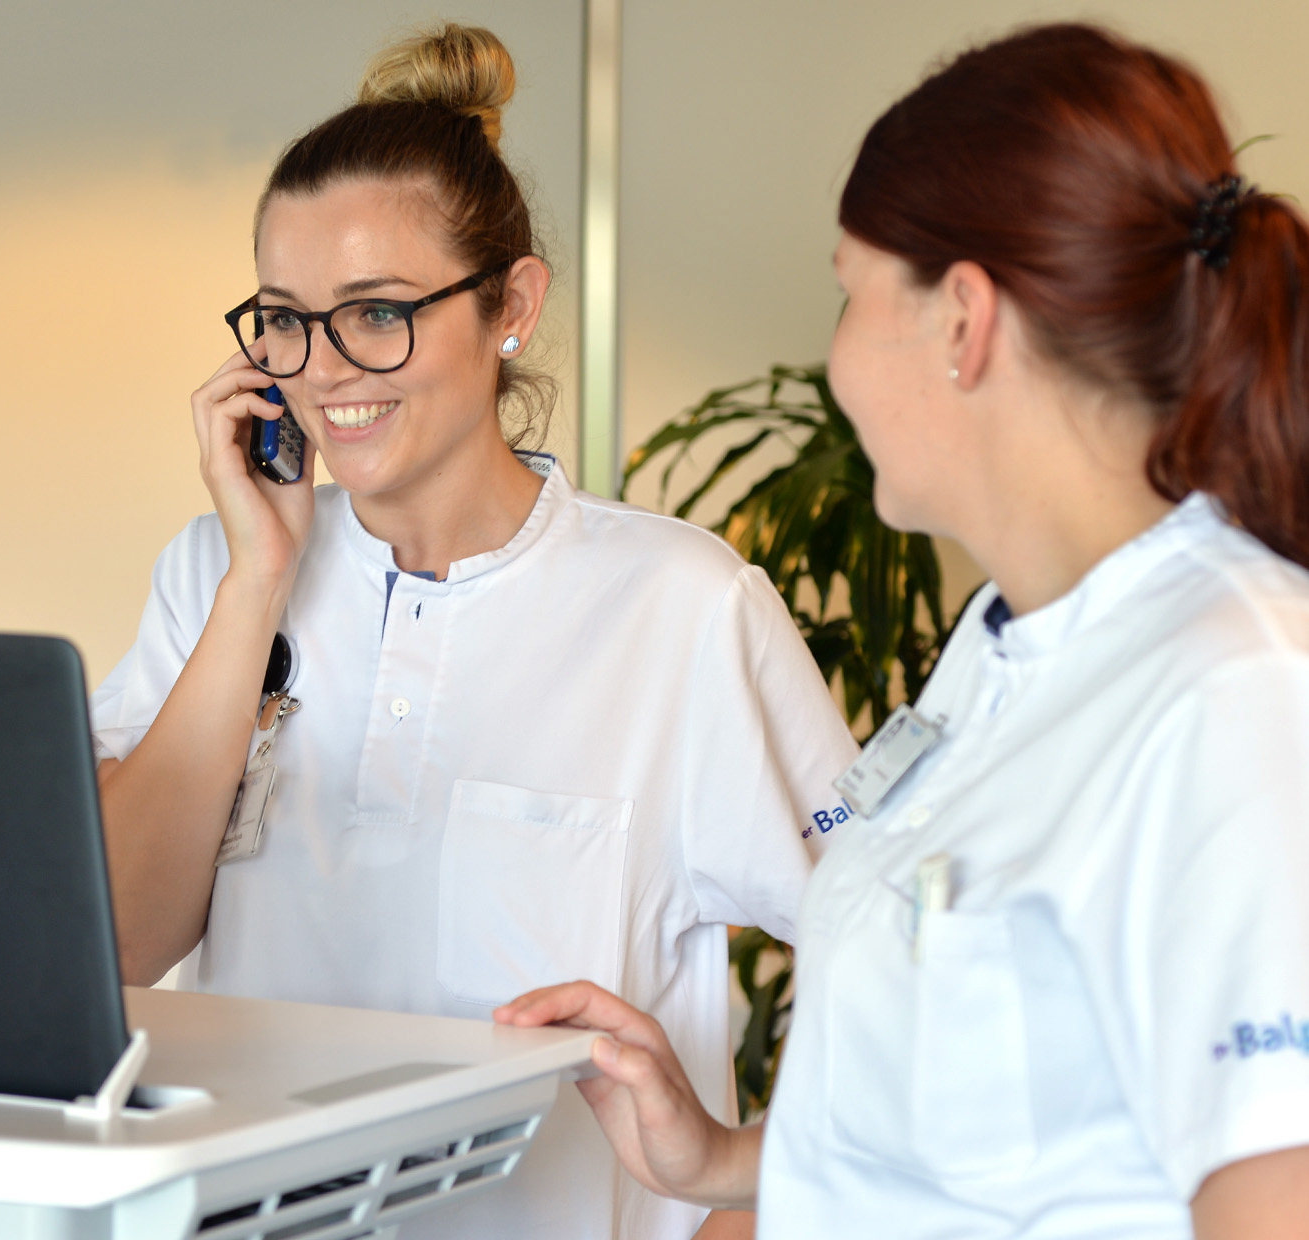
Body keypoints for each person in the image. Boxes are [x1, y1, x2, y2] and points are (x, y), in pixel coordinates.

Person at [496, 22, 1309, 1239]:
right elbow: (989, 1127)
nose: (834, 361)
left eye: (848, 292)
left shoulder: (1235, 692)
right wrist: (718, 1156)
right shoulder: (1002, 656)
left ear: (961, 320)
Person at [89, 22, 857, 1240]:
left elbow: (913, 959)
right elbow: (121, 939)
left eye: (378, 312)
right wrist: (257, 581)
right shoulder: (214, 577)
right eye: (283, 319)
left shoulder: (683, 606)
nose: (326, 369)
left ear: (513, 303)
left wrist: (740, 1195)